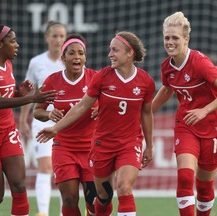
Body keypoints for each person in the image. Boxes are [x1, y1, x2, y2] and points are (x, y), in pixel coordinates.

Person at [36, 31, 155, 216]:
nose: (110, 54)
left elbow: (146, 113)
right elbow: (81, 105)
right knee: (83, 197)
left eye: (115, 50)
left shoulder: (145, 81)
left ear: (129, 52)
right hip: (84, 146)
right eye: (72, 53)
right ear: (63, 57)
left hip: (125, 143)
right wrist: (53, 122)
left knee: (122, 188)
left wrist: (150, 145)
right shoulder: (98, 77)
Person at [0, 24, 57, 216]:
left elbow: (3, 95)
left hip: (7, 131)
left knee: (20, 186)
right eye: (13, 41)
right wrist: (31, 97)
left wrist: (18, 92)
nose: (17, 45)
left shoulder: (8, 64)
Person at [151, 12, 217, 216]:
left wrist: (205, 110)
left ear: (186, 39)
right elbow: (167, 89)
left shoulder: (200, 62)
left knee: (205, 188)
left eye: (175, 38)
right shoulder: (167, 66)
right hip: (186, 125)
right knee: (184, 178)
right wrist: (146, 112)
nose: (170, 42)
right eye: (166, 37)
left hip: (213, 127)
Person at [33, 33, 98, 216]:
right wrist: (48, 113)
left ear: (85, 57)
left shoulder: (96, 78)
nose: (77, 57)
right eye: (71, 53)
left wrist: (102, 110)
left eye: (81, 53)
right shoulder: (52, 81)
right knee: (69, 199)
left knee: (94, 201)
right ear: (63, 58)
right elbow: (37, 110)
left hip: (93, 147)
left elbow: (113, 104)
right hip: (64, 147)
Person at [19, 21, 67, 216]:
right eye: (54, 36)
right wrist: (23, 119)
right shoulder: (36, 62)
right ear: (46, 38)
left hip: (67, 122)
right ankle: (43, 212)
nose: (58, 40)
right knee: (45, 166)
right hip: (42, 120)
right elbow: (29, 93)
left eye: (61, 36)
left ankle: (68, 210)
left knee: (65, 171)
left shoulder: (72, 60)